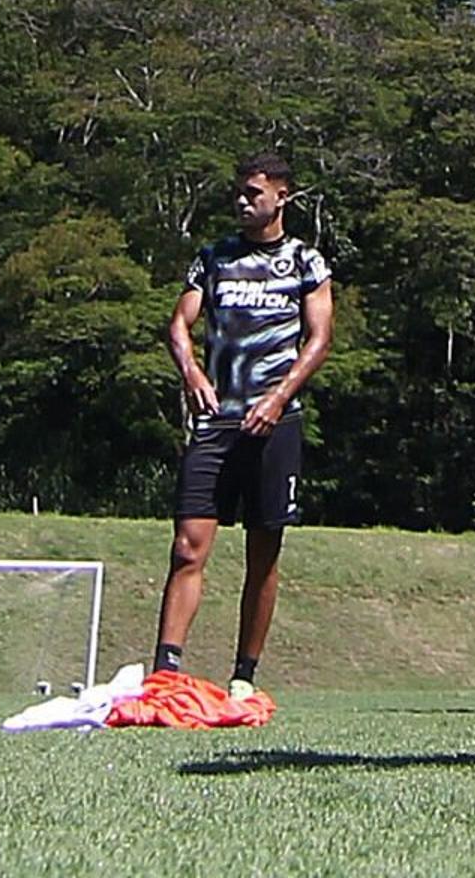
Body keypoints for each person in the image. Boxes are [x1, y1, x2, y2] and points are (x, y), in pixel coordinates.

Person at [152, 152, 334, 698]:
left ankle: (244, 676)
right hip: (218, 420)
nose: (242, 201)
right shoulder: (214, 258)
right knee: (188, 546)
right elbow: (179, 324)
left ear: (282, 197)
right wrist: (192, 373)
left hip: (274, 422)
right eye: (239, 191)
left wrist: (278, 399)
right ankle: (166, 672)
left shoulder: (306, 261)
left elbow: (319, 339)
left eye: (254, 192)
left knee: (264, 548)